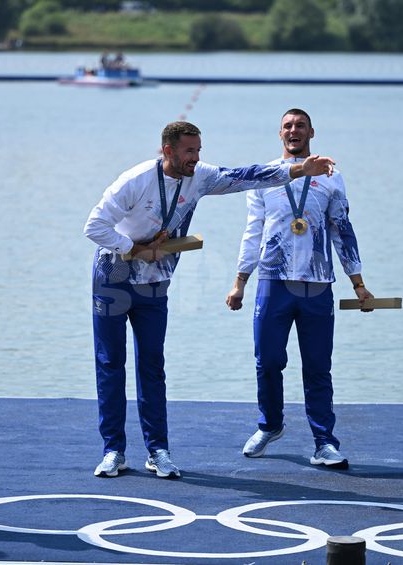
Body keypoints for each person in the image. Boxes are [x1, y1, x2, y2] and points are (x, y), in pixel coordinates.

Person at [84, 120, 334, 479]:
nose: (196, 158)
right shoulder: (134, 180)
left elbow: (246, 176)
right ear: (168, 150)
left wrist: (297, 170)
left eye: (199, 150)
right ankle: (113, 451)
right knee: (110, 363)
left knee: (152, 365)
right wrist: (135, 249)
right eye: (190, 151)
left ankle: (158, 451)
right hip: (113, 276)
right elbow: (93, 226)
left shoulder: (199, 176)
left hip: (155, 280)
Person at [225, 109, 373, 469]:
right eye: (288, 126)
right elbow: (253, 230)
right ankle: (270, 424)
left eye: (300, 126)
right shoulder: (266, 176)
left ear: (311, 133)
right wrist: (240, 281)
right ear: (280, 134)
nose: (294, 131)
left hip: (317, 284)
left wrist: (359, 283)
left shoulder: (331, 178)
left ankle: (324, 443)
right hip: (273, 283)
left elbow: (342, 230)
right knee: (269, 361)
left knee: (318, 367)